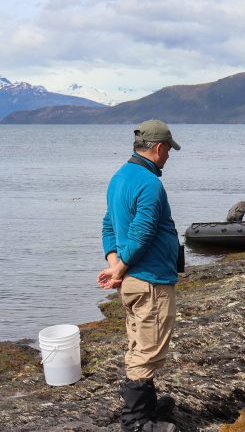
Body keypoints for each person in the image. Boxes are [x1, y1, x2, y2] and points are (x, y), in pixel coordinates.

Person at [97, 119, 181, 432]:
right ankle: (135, 422)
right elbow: (142, 231)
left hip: (134, 283)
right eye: (169, 150)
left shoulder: (119, 178)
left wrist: (113, 261)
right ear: (159, 148)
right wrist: (119, 266)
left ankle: (146, 405)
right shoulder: (150, 183)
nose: (169, 156)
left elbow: (108, 225)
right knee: (148, 350)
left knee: (138, 342)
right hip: (150, 281)